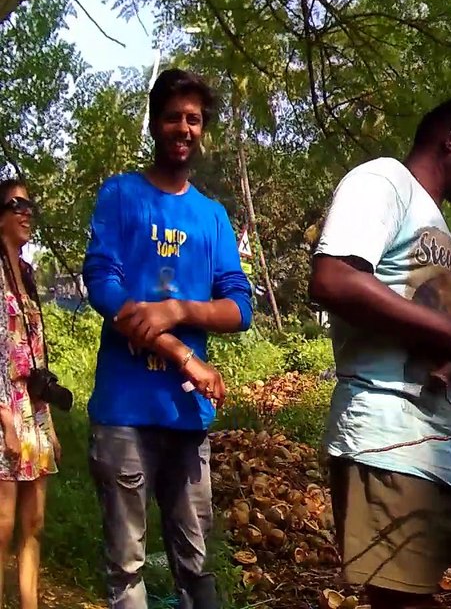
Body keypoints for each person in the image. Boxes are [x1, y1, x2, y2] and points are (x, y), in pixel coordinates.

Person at [308, 97, 451, 609]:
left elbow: (424, 346)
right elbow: (333, 278)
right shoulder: (384, 182)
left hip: (435, 452)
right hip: (390, 441)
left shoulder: (436, 227)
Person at [84, 68, 252, 609]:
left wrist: (177, 308)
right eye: (175, 117)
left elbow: (240, 306)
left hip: (185, 418)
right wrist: (182, 352)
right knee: (126, 568)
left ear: (202, 130)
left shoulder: (212, 216)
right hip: (123, 414)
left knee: (197, 565)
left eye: (195, 119)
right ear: (155, 124)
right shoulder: (120, 195)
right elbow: (103, 284)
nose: (185, 128)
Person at [0, 180, 60, 609]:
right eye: (15, 204)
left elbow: (36, 353)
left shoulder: (27, 274)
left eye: (29, 205)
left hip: (34, 411)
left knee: (33, 524)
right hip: (3, 408)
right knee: (1, 526)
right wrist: (4, 418)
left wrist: (49, 423)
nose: (26, 212)